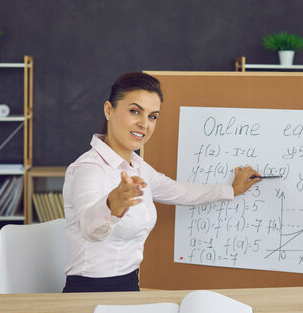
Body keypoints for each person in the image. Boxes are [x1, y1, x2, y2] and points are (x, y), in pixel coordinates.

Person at [62, 72, 260, 293]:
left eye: (153, 116)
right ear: (109, 110)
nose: (144, 124)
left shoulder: (138, 168)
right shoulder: (88, 168)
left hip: (129, 286)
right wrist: (112, 204)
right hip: (89, 292)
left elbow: (181, 192)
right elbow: (88, 228)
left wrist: (231, 189)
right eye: (134, 111)